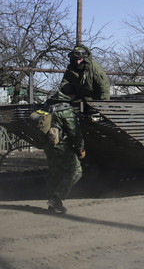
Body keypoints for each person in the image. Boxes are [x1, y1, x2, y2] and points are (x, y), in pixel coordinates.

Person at [42, 86, 86, 214]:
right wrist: (80, 148)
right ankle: (56, 198)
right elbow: (75, 132)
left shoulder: (47, 105)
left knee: (55, 173)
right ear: (70, 95)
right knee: (76, 172)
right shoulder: (65, 109)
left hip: (48, 146)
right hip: (63, 146)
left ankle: (53, 204)